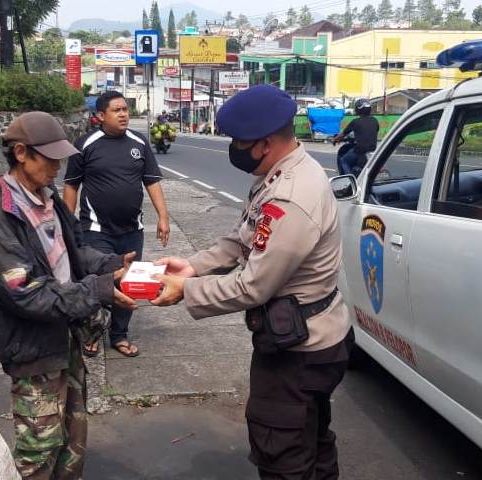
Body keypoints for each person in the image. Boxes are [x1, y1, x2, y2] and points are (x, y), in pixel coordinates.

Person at [150, 84, 354, 479]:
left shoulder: (292, 197)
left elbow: (253, 285)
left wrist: (185, 291)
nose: (233, 148)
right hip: (307, 339)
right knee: (311, 441)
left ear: (263, 143)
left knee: (283, 454)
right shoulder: (277, 174)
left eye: (238, 142)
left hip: (300, 353)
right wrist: (192, 266)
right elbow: (242, 238)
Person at [0, 111, 138, 479]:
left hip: (65, 337)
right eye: (50, 158)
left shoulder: (47, 199)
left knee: (72, 439)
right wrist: (99, 289)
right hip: (32, 349)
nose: (59, 167)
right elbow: (29, 296)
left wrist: (111, 265)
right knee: (38, 450)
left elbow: (74, 250)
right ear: (21, 153)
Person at [64, 91, 171, 358]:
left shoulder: (139, 142)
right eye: (117, 110)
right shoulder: (85, 144)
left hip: (132, 231)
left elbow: (151, 181)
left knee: (131, 282)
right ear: (101, 116)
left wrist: (163, 217)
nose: (123, 114)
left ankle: (119, 335)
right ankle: (91, 333)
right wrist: (67, 224)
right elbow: (71, 186)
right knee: (99, 282)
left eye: (125, 109)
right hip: (96, 230)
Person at [333, 98, 380, 175]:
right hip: (373, 150)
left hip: (360, 150)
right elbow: (371, 132)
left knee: (344, 161)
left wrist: (334, 139)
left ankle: (350, 181)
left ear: (357, 110)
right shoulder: (375, 120)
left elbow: (342, 135)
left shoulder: (355, 122)